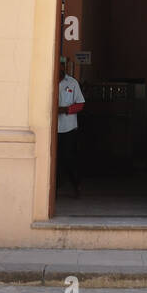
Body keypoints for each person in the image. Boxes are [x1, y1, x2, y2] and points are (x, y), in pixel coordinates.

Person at [57, 60, 85, 198]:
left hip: (68, 129)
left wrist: (65, 109)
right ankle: (54, 189)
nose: (59, 68)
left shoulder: (72, 83)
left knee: (68, 158)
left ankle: (76, 185)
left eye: (62, 65)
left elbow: (80, 104)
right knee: (54, 160)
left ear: (64, 67)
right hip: (52, 129)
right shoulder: (48, 81)